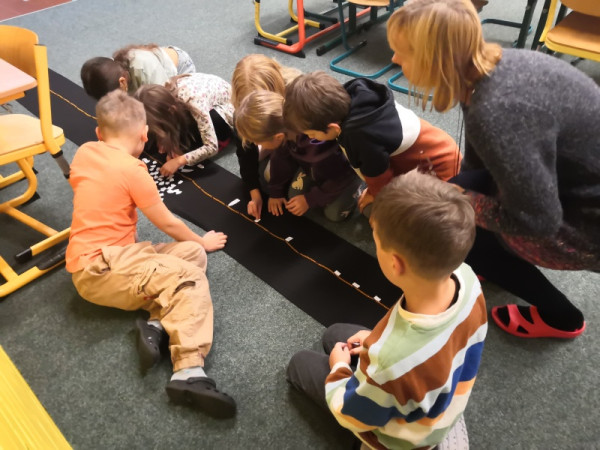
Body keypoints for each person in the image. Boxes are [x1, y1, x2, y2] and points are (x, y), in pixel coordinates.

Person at [387, 0, 600, 339]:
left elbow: (540, 221)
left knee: (461, 235)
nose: (394, 59)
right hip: (564, 180)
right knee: (456, 203)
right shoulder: (490, 65)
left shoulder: (494, 111)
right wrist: (460, 192)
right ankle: (494, 253)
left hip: (586, 224)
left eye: (402, 52)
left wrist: (462, 202)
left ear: (434, 59)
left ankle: (562, 318)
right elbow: (480, 160)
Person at [65, 90, 236, 418]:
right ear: (144, 135)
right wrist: (202, 239)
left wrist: (196, 247)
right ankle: (188, 371)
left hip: (116, 257)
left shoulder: (86, 151)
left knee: (190, 255)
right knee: (190, 276)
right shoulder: (134, 169)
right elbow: (166, 222)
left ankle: (155, 325)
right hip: (101, 268)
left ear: (99, 133)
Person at [287, 170, 487, 449]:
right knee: (336, 333)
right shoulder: (467, 277)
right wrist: (374, 341)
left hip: (403, 436)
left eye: (376, 241)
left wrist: (340, 368)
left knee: (299, 364)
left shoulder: (390, 362)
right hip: (439, 385)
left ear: (396, 264)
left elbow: (350, 414)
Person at [283, 71, 462, 214]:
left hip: (441, 175)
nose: (312, 138)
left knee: (377, 213)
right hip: (433, 154)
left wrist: (376, 196)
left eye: (312, 134)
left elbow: (380, 178)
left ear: (333, 128)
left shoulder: (360, 137)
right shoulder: (348, 98)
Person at [235, 90, 361, 222]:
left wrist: (310, 199)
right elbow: (281, 160)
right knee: (293, 196)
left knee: (334, 214)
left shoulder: (318, 151)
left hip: (344, 174)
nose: (256, 144)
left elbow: (339, 179)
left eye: (258, 142)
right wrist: (276, 191)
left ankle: (359, 186)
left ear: (278, 137)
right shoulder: (285, 130)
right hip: (314, 167)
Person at [231, 54, 302, 220]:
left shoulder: (297, 97)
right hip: (278, 144)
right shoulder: (242, 111)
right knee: (266, 179)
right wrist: (254, 193)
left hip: (303, 148)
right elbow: (245, 151)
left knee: (292, 189)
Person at [134, 73, 234, 176]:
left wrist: (179, 161)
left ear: (171, 110)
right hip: (193, 106)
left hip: (226, 108)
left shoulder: (194, 102)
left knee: (201, 134)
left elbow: (211, 147)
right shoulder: (159, 97)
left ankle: (223, 137)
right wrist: (164, 140)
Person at [80, 44, 196, 100]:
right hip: (151, 66)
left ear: (122, 82)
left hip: (180, 68)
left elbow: (165, 104)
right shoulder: (109, 71)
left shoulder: (147, 70)